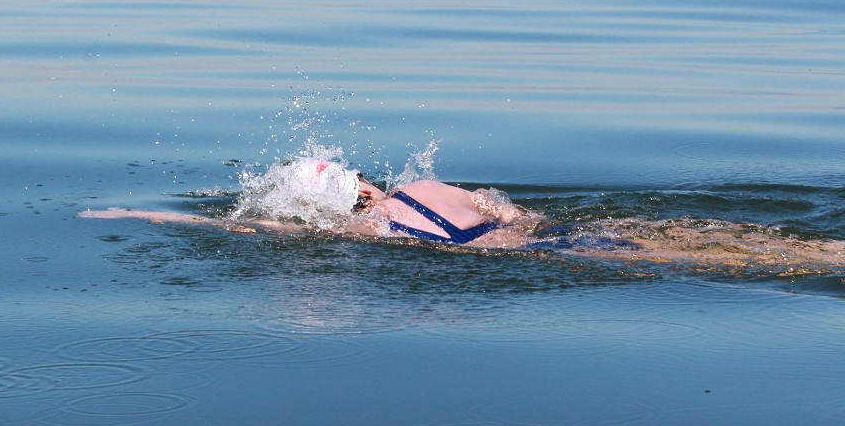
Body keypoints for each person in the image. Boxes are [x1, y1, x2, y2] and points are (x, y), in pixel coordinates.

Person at [79, 158, 543, 249]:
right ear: (362, 187)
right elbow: (508, 210)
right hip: (541, 238)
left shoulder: (359, 231)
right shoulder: (427, 187)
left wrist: (133, 213)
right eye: (359, 174)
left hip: (496, 258)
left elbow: (240, 228)